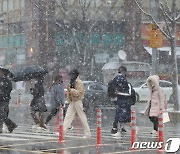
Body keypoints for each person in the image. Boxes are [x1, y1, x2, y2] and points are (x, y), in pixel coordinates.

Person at [63, 69, 91, 138]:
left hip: (78, 101)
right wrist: (68, 98)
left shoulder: (79, 82)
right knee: (68, 116)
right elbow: (69, 93)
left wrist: (71, 90)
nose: (71, 76)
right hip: (72, 101)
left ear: (76, 75)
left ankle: (88, 133)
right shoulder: (71, 82)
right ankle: (62, 132)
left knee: (82, 117)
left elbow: (79, 93)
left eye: (72, 74)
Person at [110, 66, 132, 136]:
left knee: (120, 116)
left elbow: (113, 90)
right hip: (124, 101)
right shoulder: (124, 80)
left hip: (120, 100)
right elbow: (129, 92)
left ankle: (118, 130)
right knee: (122, 116)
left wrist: (116, 94)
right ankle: (119, 130)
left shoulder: (116, 79)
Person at [0, 68, 17, 133]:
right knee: (3, 115)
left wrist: (2, 93)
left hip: (4, 100)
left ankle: (0, 128)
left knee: (1, 114)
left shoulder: (7, 81)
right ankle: (11, 125)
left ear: (3, 72)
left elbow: (9, 90)